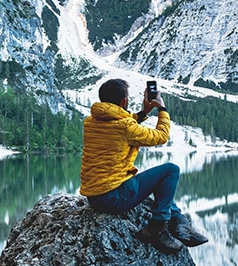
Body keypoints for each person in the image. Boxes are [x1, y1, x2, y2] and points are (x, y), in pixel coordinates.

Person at [79, 78, 209, 254]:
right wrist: (162, 108)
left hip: (95, 198)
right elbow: (161, 136)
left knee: (154, 184)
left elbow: (119, 124)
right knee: (170, 171)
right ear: (124, 101)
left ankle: (178, 220)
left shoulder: (90, 122)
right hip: (114, 198)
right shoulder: (126, 126)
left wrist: (144, 112)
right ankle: (157, 228)